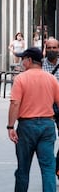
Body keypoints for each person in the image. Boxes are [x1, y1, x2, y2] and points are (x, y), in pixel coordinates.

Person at [7, 47, 59, 192]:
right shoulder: (51, 79)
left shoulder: (21, 79)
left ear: (29, 60)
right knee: (48, 167)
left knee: (23, 168)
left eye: (23, 59)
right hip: (47, 124)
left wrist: (10, 126)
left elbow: (15, 104)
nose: (22, 62)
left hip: (27, 125)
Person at [41, 37, 59, 179]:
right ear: (45, 49)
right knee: (46, 141)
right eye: (49, 48)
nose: (52, 50)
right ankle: (50, 167)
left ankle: (56, 166)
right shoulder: (39, 66)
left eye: (55, 48)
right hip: (44, 105)